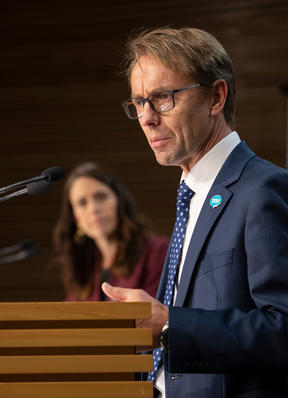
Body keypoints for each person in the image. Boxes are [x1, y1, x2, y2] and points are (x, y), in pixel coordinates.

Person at [101, 27, 288, 397]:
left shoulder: (263, 189)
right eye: (138, 103)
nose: (147, 118)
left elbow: (283, 329)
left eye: (163, 98)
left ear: (216, 97)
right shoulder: (193, 194)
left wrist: (170, 326)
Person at [53, 162, 169, 301]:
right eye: (82, 203)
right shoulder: (82, 265)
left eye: (101, 197)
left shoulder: (158, 251)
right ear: (75, 217)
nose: (93, 209)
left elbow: (157, 314)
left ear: (118, 201)